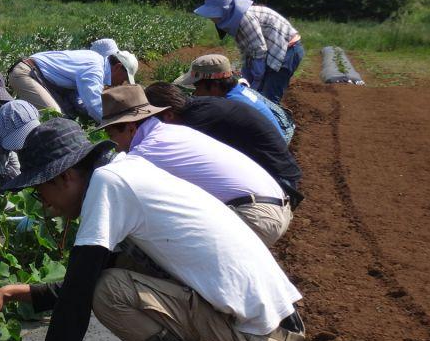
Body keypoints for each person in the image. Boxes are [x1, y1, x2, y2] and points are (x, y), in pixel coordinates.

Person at [0, 118, 305, 341]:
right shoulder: (130, 171)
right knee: (124, 270)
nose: (42, 202)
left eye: (40, 188)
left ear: (65, 177)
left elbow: (80, 291)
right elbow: (93, 271)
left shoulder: (108, 185)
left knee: (109, 292)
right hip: (269, 329)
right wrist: (21, 293)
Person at [97, 85, 292, 246]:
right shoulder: (172, 132)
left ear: (130, 128)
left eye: (113, 136)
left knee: (162, 251)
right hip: (276, 204)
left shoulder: (145, 152)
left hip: (254, 216)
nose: (117, 145)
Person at [144, 82, 303, 207]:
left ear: (169, 115)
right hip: (277, 176)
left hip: (279, 185)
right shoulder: (200, 107)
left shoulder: (197, 121)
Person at [193, 0, 303, 103]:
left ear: (224, 10)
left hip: (286, 51)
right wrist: (246, 75)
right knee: (258, 95)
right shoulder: (236, 20)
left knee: (269, 97)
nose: (211, 19)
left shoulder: (245, 17)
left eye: (212, 14)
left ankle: (273, 119)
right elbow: (248, 51)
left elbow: (258, 48)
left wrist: (256, 78)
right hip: (274, 51)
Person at [174, 54, 295, 144]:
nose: (195, 93)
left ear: (215, 86)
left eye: (197, 87)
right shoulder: (238, 90)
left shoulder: (231, 106)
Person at [7, 48, 138, 123]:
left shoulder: (95, 60)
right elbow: (94, 105)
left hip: (35, 74)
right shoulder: (95, 68)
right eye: (125, 78)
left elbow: (79, 99)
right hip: (25, 73)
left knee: (66, 116)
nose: (123, 83)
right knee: (55, 117)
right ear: (118, 67)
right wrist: (112, 124)